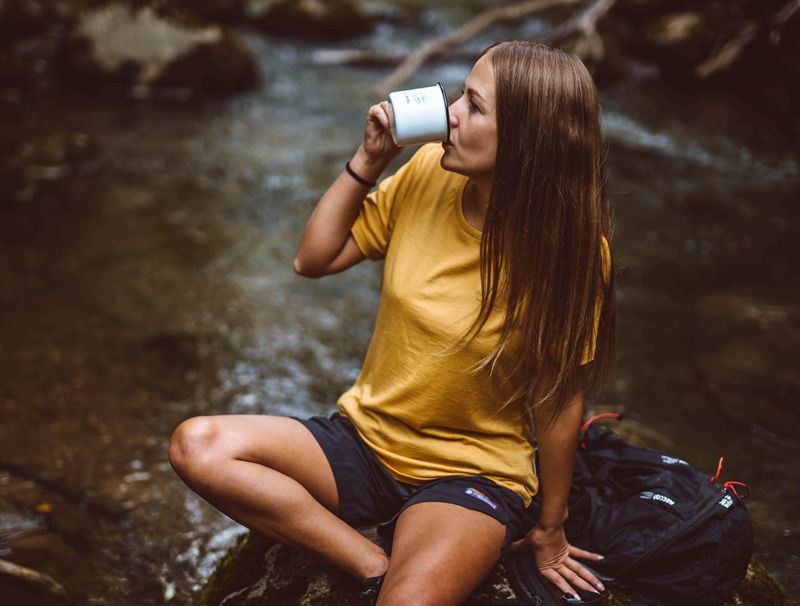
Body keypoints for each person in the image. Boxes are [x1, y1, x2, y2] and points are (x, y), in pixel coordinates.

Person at [168, 39, 616, 606]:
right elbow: (314, 259)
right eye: (460, 95)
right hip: (364, 444)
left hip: (470, 475)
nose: (451, 112)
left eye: (474, 106)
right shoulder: (428, 169)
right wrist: (370, 159)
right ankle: (369, 561)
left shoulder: (570, 254)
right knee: (199, 445)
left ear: (529, 141)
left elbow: (557, 398)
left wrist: (551, 527)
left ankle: (404, 566)